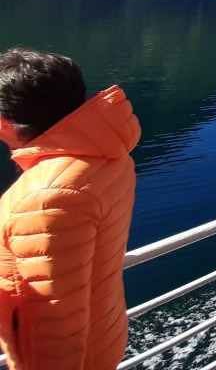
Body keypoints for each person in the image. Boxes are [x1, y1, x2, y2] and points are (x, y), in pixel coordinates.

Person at [0, 48, 141, 370]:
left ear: (4, 123)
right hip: (102, 331)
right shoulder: (109, 157)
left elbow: (56, 317)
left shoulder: (47, 197)